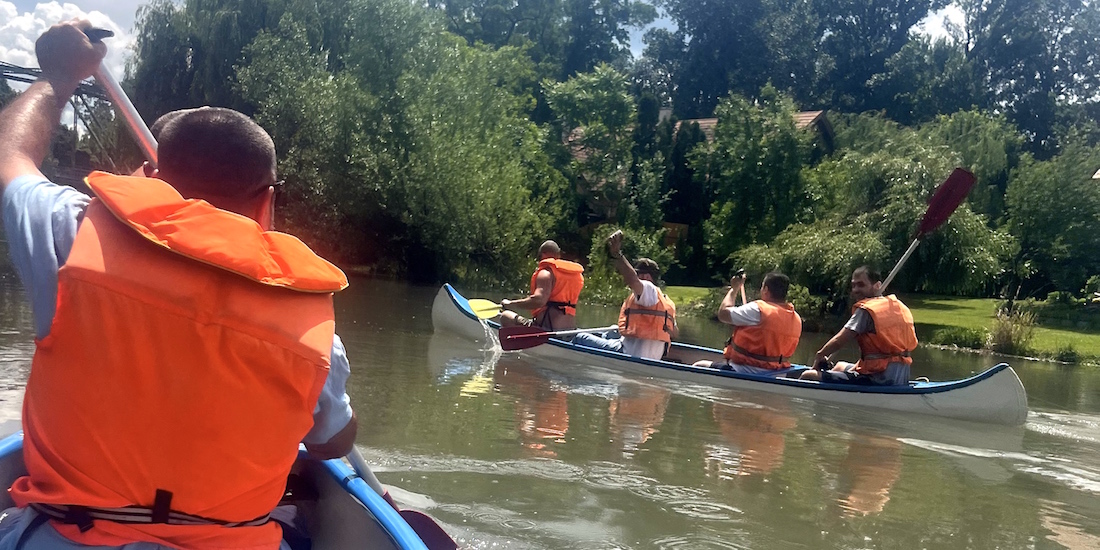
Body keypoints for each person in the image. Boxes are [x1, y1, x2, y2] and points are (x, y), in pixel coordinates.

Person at [0, 20, 357, 549]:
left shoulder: (69, 234)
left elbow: (10, 155)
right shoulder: (312, 328)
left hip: (69, 536)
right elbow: (333, 444)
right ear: (268, 202)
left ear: (151, 179)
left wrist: (58, 75)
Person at [799, 266, 918, 385]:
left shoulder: (867, 310)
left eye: (861, 285)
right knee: (840, 366)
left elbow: (839, 340)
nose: (855, 290)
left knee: (808, 375)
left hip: (877, 379)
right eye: (853, 285)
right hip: (899, 377)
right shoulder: (899, 307)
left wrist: (820, 355)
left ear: (877, 285)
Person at [572, 230, 678, 360]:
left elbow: (632, 280)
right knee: (612, 330)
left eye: (638, 274)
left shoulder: (648, 289)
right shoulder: (666, 301)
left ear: (646, 277)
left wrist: (617, 254)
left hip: (629, 353)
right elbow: (674, 333)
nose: (636, 277)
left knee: (580, 337)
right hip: (653, 357)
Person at [693, 272, 802, 374]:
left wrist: (734, 289)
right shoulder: (796, 318)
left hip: (745, 370)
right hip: (776, 372)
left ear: (765, 289)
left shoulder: (758, 310)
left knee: (699, 365)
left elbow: (723, 314)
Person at [500, 240, 584, 331]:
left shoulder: (546, 273)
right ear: (558, 255)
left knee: (505, 316)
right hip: (570, 329)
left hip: (547, 329)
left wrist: (510, 304)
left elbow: (539, 300)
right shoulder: (577, 276)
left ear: (543, 254)